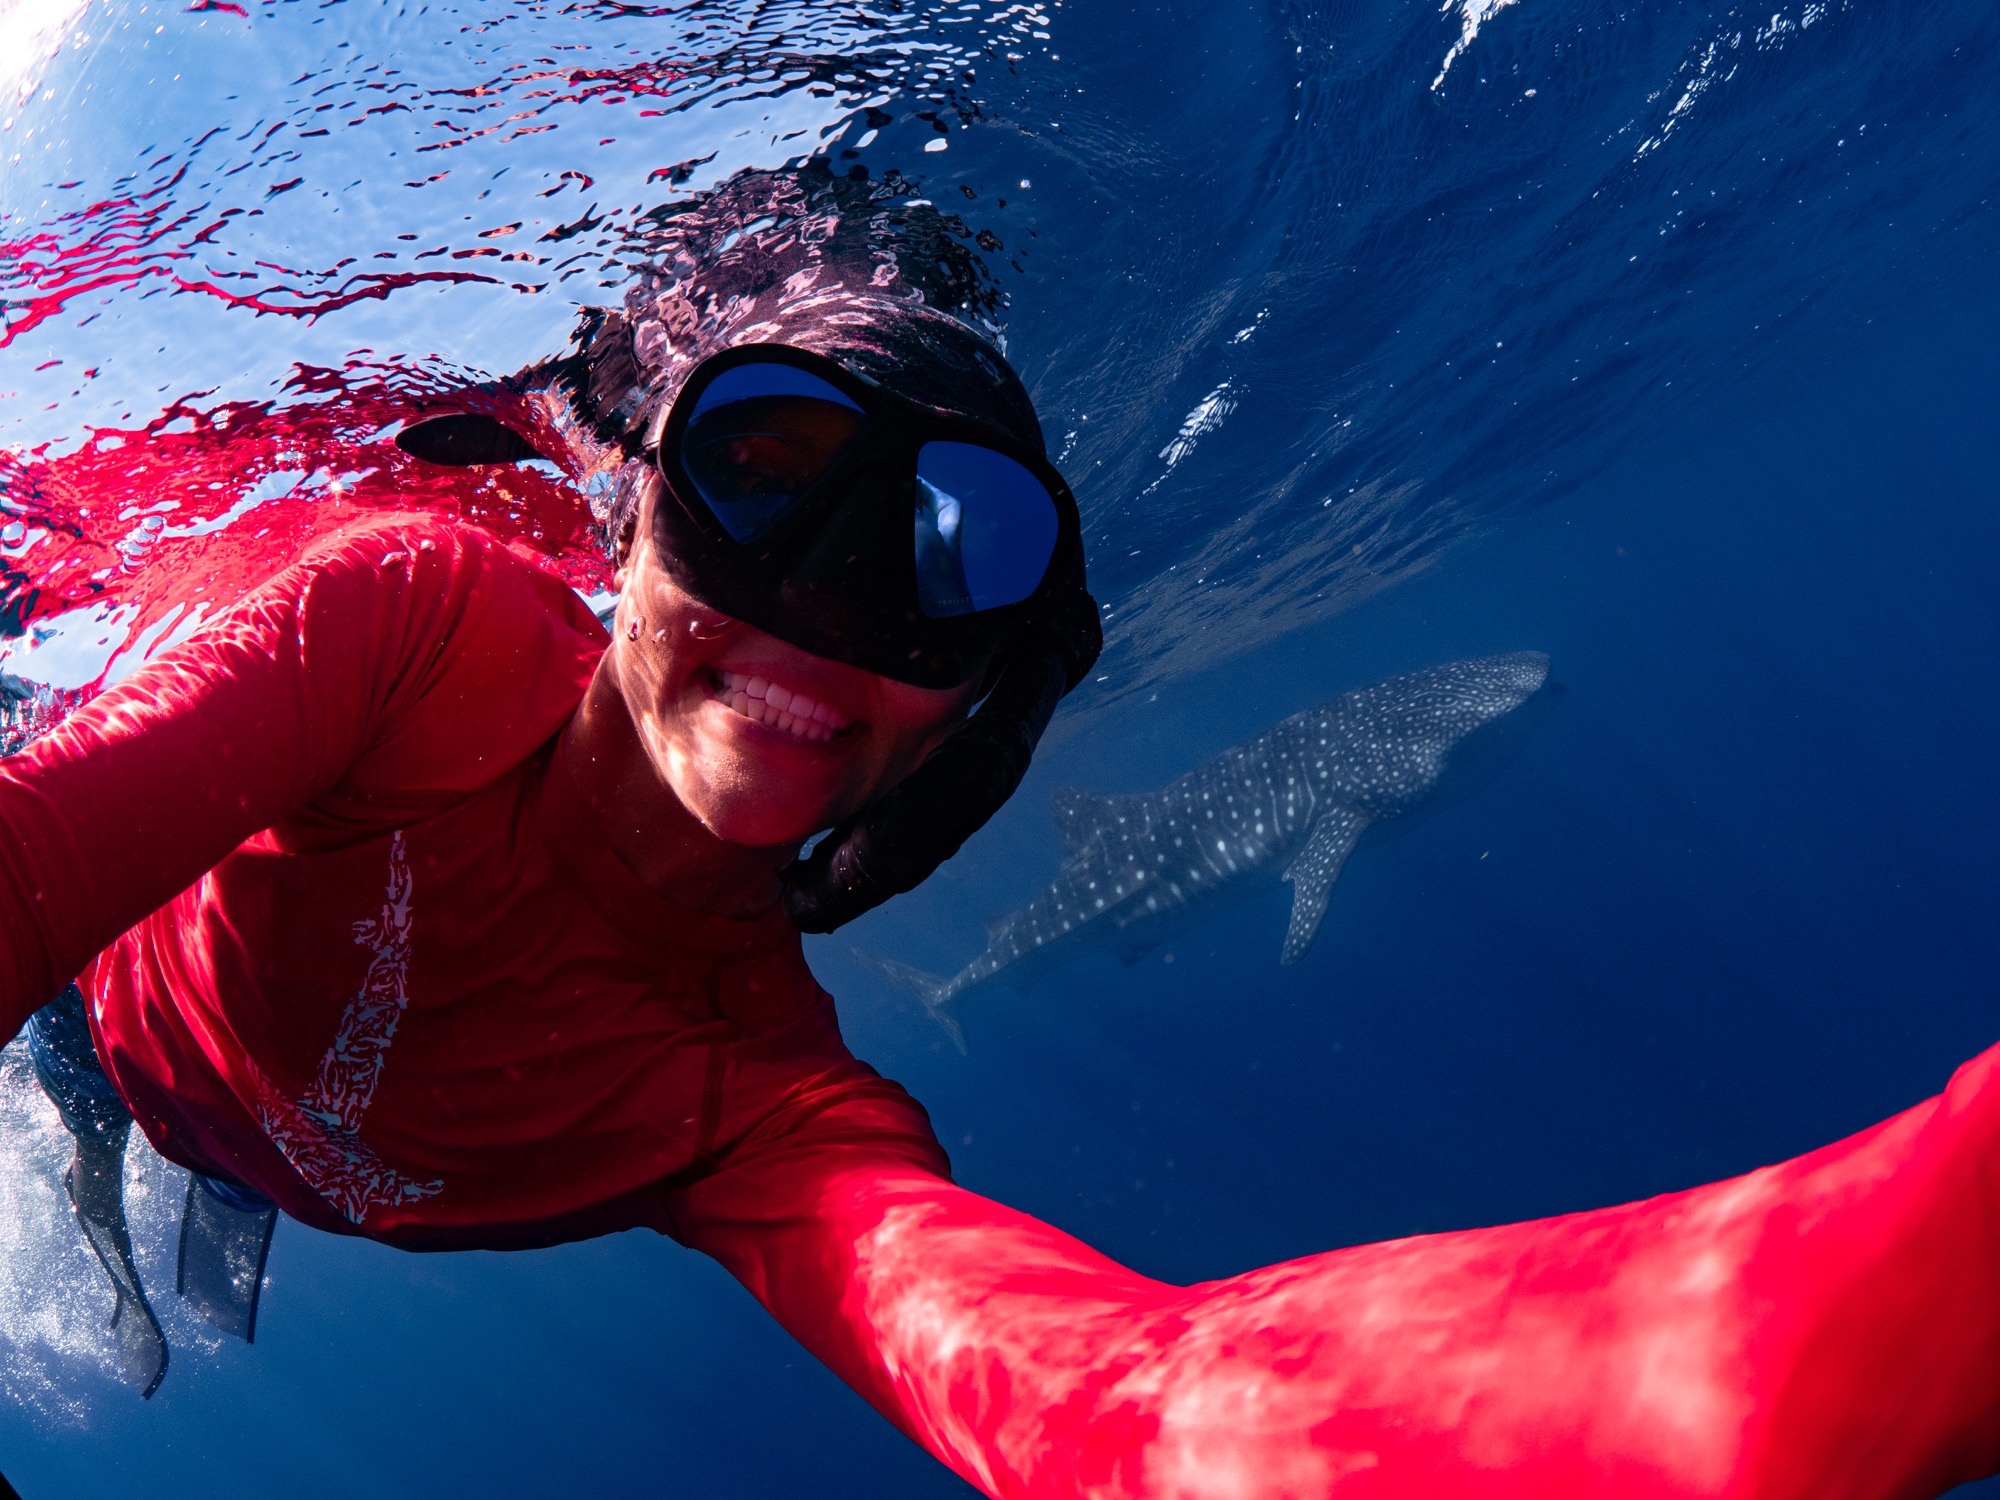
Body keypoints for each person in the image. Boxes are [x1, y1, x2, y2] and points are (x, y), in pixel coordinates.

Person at [5, 165, 2000, 1496]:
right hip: (136, 994)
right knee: (99, 1061)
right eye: (757, 475)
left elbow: (1130, 1409)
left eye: (950, 557)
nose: (822, 606)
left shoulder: (761, 1109)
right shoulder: (403, 623)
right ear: (623, 511)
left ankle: (177, 1168)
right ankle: (119, 1142)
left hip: (284, 1088)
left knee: (201, 1131)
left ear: (987, 679)